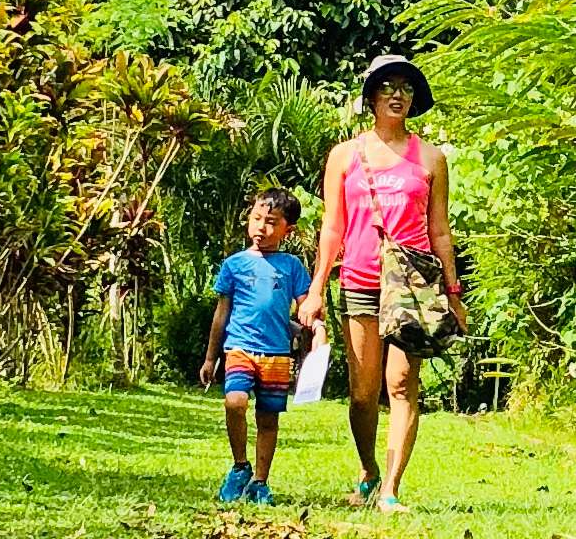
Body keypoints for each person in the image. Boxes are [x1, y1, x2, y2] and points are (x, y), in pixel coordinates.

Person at [304, 51, 464, 509]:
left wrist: (453, 294)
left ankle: (391, 488)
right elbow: (332, 225)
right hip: (359, 278)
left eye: (407, 88)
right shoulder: (345, 155)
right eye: (388, 87)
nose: (398, 95)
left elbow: (439, 230)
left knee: (401, 385)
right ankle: (369, 470)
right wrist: (316, 288)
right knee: (362, 390)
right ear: (371, 96)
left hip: (413, 284)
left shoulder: (431, 159)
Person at [198, 184, 312, 504]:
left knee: (267, 418)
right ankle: (240, 467)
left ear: (288, 230)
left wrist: (313, 322)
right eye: (257, 217)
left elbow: (305, 304)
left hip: (276, 354)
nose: (261, 227)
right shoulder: (234, 265)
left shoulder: (292, 267)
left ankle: (260, 482)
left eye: (272, 221)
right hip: (239, 348)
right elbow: (221, 313)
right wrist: (210, 358)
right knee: (235, 402)